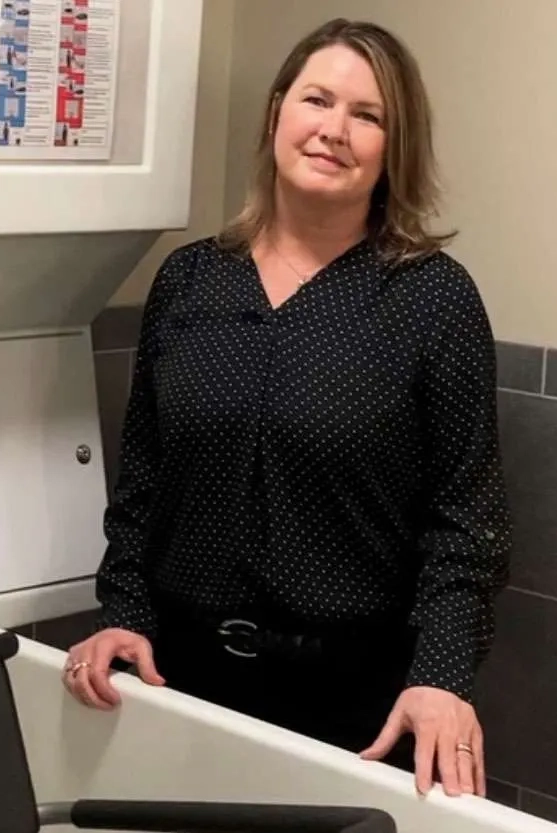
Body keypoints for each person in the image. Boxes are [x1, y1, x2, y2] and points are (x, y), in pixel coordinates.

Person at [63, 17, 511, 800]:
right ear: (276, 114)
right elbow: (142, 480)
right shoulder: (189, 281)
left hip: (358, 705)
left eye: (367, 116)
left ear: (391, 148)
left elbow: (466, 520)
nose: (333, 130)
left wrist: (441, 677)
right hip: (179, 679)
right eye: (316, 100)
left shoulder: (432, 299)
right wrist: (122, 612)